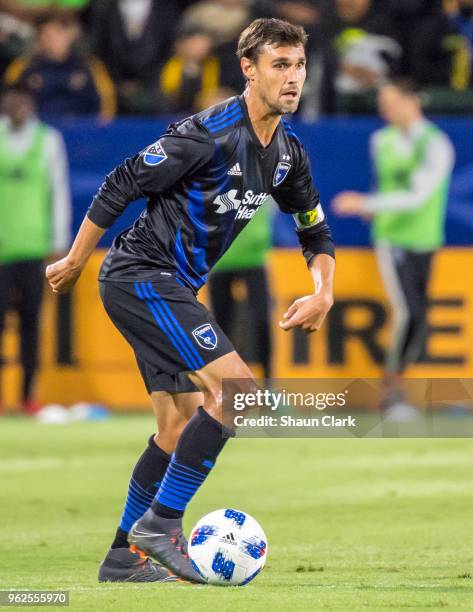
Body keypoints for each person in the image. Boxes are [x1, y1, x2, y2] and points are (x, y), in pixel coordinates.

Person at [46, 18, 335, 583]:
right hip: (141, 276)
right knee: (239, 393)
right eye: (280, 65)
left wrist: (323, 290)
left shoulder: (287, 155)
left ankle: (122, 559)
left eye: (298, 65)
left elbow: (314, 230)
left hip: (168, 285)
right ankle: (162, 526)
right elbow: (122, 181)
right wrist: (78, 258)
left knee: (177, 425)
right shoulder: (209, 132)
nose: (293, 77)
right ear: (248, 69)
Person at [332, 79, 454, 418]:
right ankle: (391, 393)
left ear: (411, 99)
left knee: (419, 316)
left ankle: (394, 385)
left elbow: (418, 196)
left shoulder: (436, 144)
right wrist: (374, 210)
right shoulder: (381, 140)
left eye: (391, 101)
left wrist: (365, 203)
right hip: (392, 239)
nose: (385, 109)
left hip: (425, 238)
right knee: (407, 312)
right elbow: (386, 185)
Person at [0, 84, 71, 415]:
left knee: (31, 326)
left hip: (33, 249)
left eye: (24, 100)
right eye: (13, 100)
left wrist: (59, 241)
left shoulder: (48, 140)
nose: (19, 107)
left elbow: (58, 192)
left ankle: (28, 395)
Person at [4, 11, 116, 120]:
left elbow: (106, 102)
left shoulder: (89, 65)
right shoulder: (24, 66)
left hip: (82, 131)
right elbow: (8, 98)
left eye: (57, 33)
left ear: (69, 36)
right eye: (45, 35)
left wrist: (99, 127)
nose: (50, 40)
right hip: (39, 129)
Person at [209, 201, 273, 379]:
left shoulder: (264, 174)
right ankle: (222, 383)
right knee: (221, 326)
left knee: (262, 321)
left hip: (255, 260)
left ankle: (269, 385)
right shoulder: (214, 175)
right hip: (220, 260)